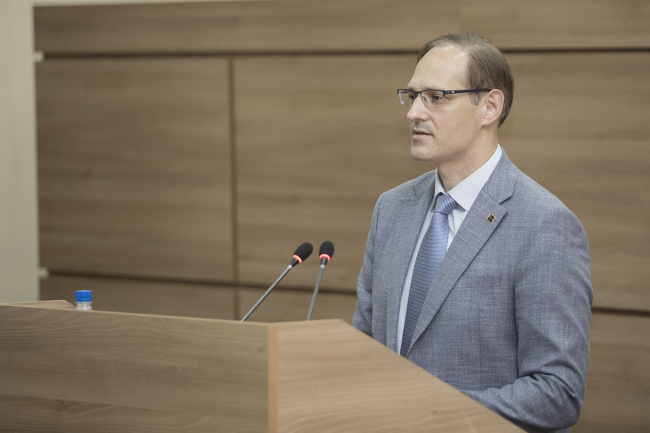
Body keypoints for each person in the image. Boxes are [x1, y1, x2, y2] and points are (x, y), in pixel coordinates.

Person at [352, 32, 592, 432]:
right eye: (412, 96)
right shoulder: (391, 209)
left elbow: (558, 392)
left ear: (490, 107)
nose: (414, 113)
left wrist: (429, 413)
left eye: (436, 97)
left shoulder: (545, 225)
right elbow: (364, 349)